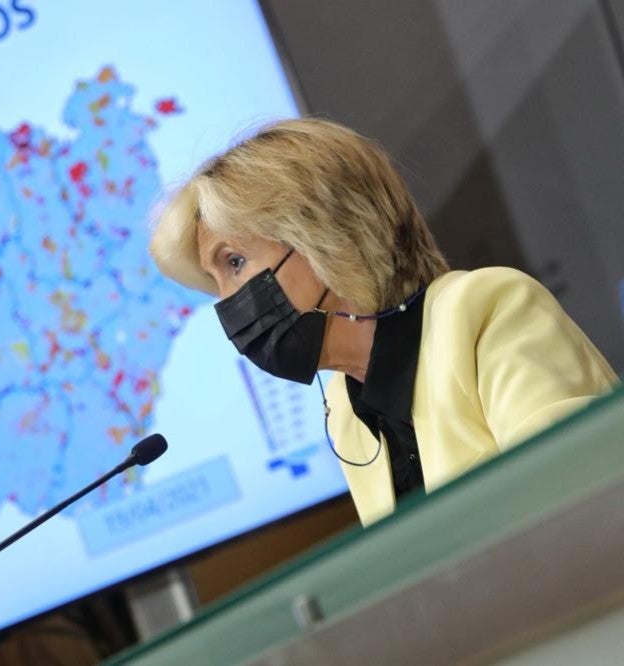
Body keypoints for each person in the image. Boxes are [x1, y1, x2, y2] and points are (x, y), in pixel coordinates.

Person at [148, 118, 618, 525]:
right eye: (216, 281)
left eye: (233, 263)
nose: (229, 303)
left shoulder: (485, 312)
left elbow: (586, 506)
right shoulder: (348, 415)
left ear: (319, 235)